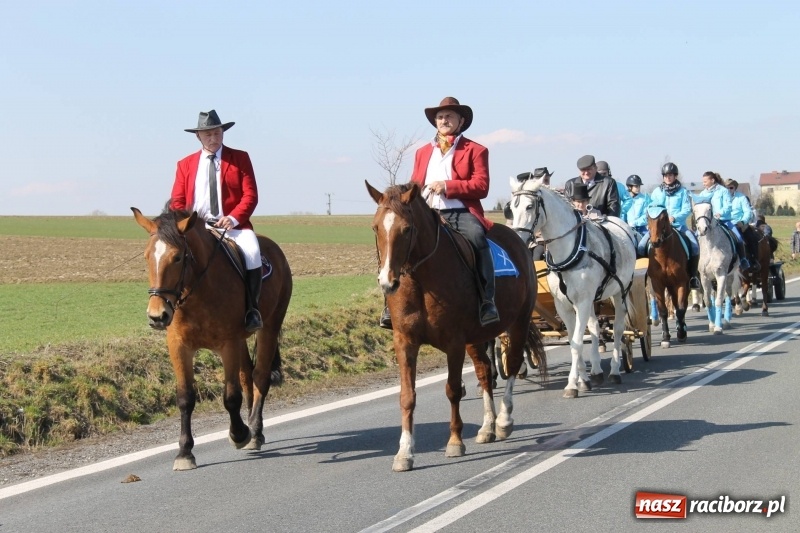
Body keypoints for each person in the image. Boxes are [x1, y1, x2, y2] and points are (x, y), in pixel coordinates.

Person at [380, 97, 498, 329]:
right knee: (397, 243)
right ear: (435, 122)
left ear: (461, 121)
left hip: (461, 212)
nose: (444, 120)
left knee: (477, 240)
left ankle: (487, 301)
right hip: (429, 213)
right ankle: (389, 305)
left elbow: (482, 186)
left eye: (449, 116)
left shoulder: (475, 149)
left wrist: (448, 185)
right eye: (440, 117)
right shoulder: (423, 152)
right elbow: (415, 185)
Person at [170, 109, 263, 332]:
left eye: (217, 133)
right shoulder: (185, 164)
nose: (213, 138)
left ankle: (252, 310)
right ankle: (172, 309)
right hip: (198, 228)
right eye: (208, 135)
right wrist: (187, 224)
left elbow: (250, 195)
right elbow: (177, 201)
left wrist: (233, 218)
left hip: (232, 226)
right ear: (198, 137)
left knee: (252, 253)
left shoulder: (240, 158)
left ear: (223, 133)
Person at [647, 162, 701, 288]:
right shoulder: (656, 192)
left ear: (675, 176)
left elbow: (687, 209)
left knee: (694, 245)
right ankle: (647, 275)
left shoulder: (683, 192)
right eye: (665, 175)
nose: (668, 177)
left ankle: (693, 276)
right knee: (641, 246)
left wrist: (675, 217)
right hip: (659, 227)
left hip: (678, 225)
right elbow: (650, 208)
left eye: (670, 175)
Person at [694, 171, 749, 270]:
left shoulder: (723, 191)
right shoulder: (703, 193)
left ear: (712, 180)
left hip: (724, 220)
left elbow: (728, 206)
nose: (703, 183)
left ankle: (743, 260)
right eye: (703, 182)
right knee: (695, 238)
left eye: (705, 181)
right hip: (709, 222)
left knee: (739, 238)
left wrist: (720, 213)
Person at [725, 179, 759, 271]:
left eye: (731, 187)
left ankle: (753, 260)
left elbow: (748, 212)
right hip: (724, 224)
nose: (728, 189)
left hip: (739, 224)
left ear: (735, 188)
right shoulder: (720, 198)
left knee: (751, 238)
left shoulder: (741, 198)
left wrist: (743, 222)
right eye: (726, 187)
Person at [624, 175, 650, 247]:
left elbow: (645, 216)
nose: (638, 188)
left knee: (647, 245)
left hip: (641, 229)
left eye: (639, 186)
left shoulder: (644, 199)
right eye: (636, 186)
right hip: (627, 228)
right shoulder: (624, 199)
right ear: (629, 187)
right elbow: (622, 213)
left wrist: (635, 223)